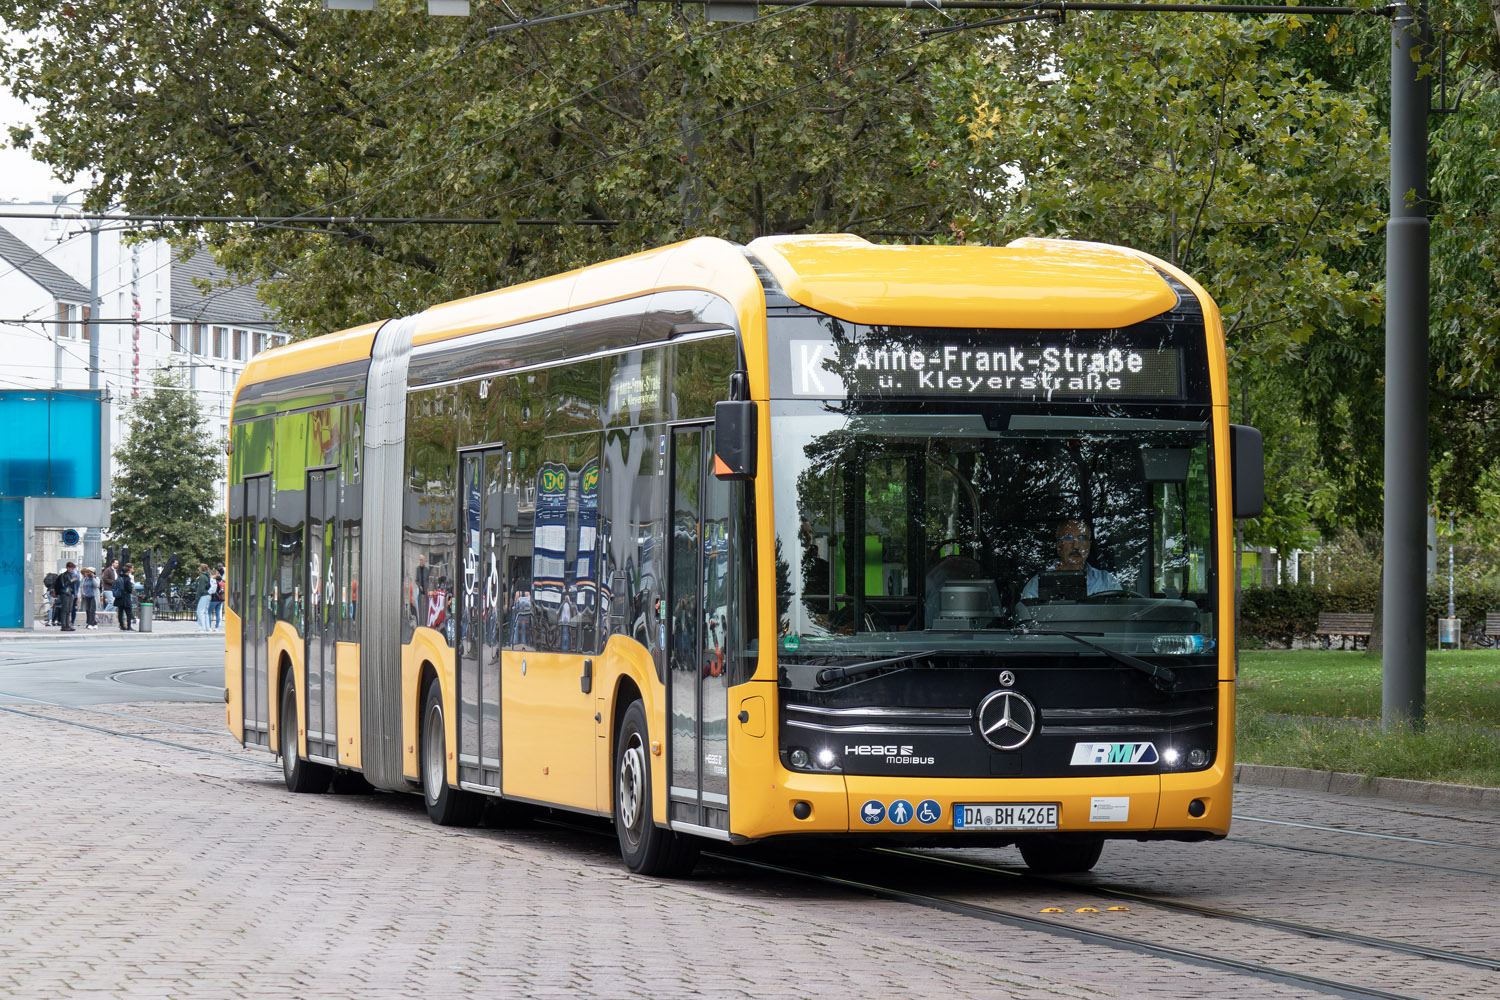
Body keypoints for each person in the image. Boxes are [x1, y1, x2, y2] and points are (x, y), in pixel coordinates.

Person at [1020, 518, 1121, 600]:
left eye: (1082, 538)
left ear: (1089, 546)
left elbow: (1121, 616)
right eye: (1068, 538)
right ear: (1058, 546)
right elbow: (1028, 620)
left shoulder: (1106, 581)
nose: (1076, 546)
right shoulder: (1038, 584)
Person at [56, 561, 79, 631]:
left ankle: (67, 624)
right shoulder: (64, 575)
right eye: (71, 568)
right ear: (68, 568)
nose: (72, 570)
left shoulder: (71, 575)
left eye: (73, 568)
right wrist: (71, 580)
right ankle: (64, 625)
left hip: (70, 593)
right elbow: (64, 585)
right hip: (65, 593)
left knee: (69, 609)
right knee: (65, 609)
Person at [115, 563, 137, 631]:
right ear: (127, 572)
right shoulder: (127, 579)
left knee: (120, 613)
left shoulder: (118, 578)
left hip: (119, 597)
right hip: (126, 597)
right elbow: (130, 589)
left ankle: (122, 626)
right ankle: (129, 626)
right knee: (128, 612)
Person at [194, 563, 213, 631]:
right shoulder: (208, 575)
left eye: (199, 568)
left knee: (200, 612)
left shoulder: (202, 577)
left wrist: (197, 597)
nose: (198, 569)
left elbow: (200, 589)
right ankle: (208, 628)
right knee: (205, 612)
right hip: (208, 595)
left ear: (201, 568)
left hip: (203, 595)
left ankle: (201, 628)